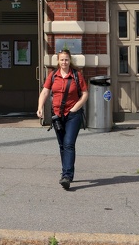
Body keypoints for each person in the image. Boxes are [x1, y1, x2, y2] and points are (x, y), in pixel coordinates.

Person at [37, 48, 89, 190]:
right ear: (58, 61)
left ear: (69, 60)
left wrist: (75, 108)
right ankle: (66, 171)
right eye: (62, 60)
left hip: (73, 115)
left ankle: (67, 176)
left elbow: (85, 94)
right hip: (57, 115)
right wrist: (40, 107)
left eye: (66, 59)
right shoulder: (53, 75)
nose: (64, 62)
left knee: (68, 144)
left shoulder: (76, 75)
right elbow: (45, 92)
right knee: (62, 145)